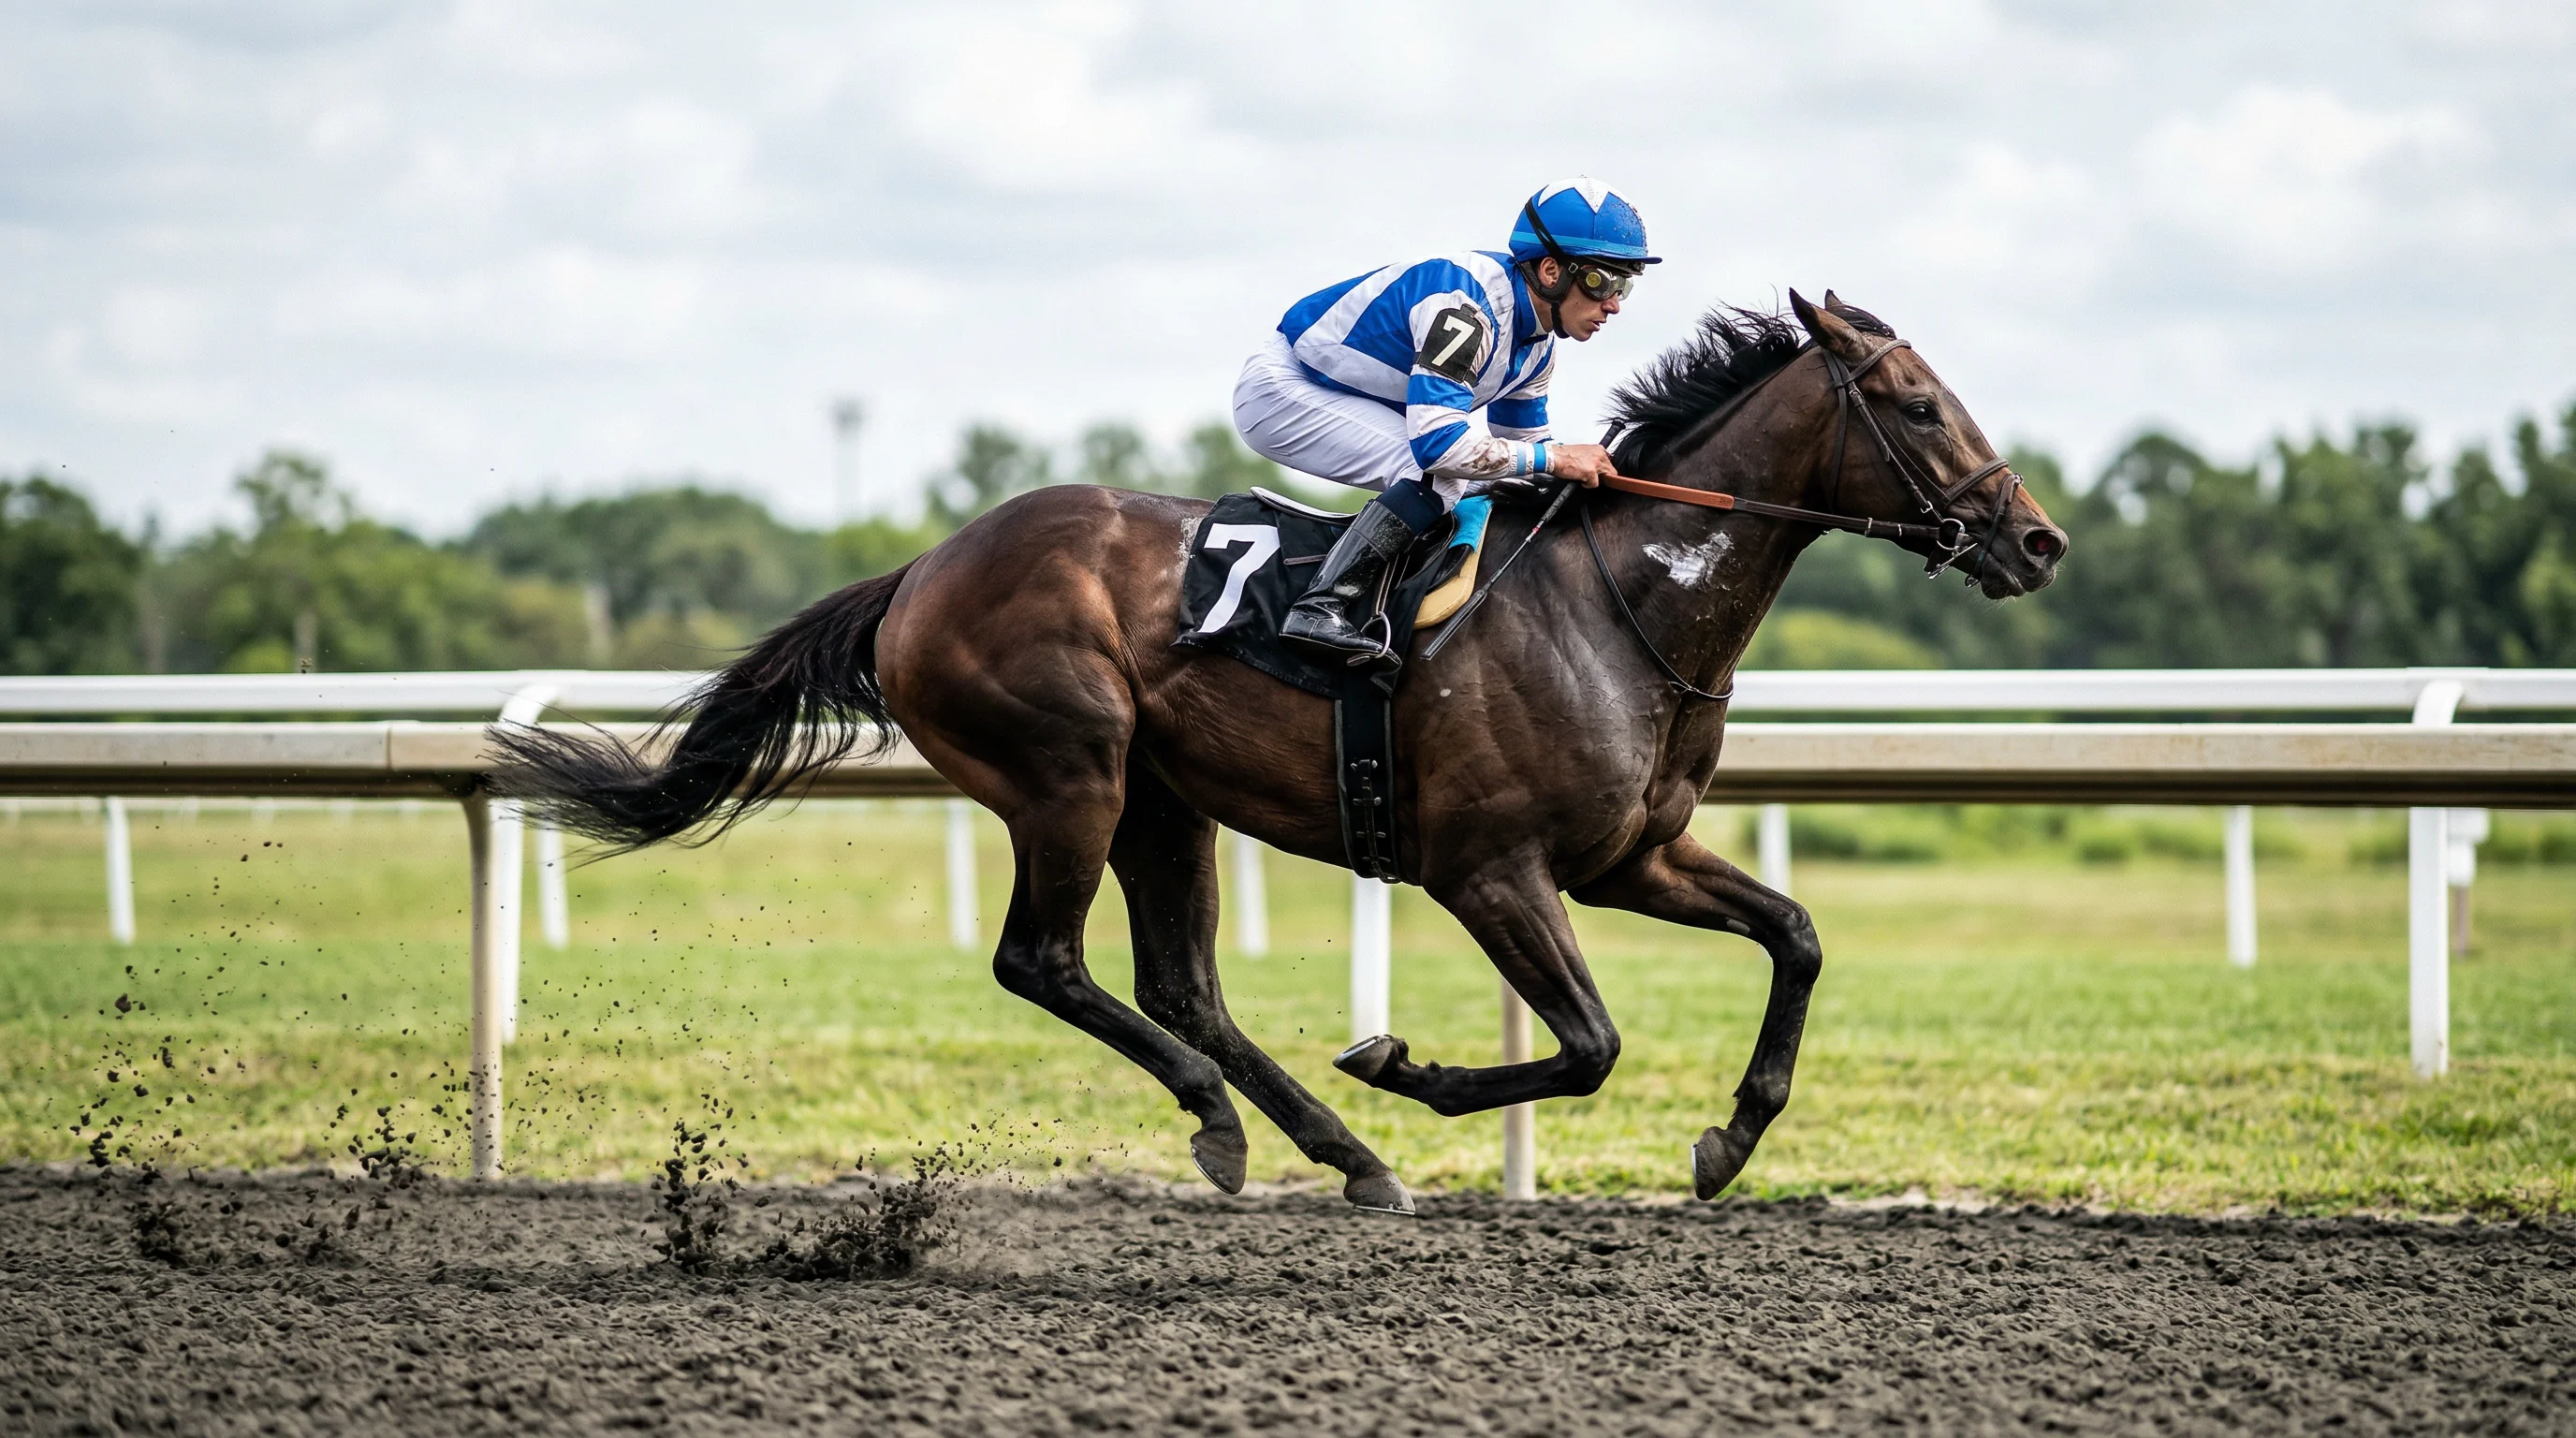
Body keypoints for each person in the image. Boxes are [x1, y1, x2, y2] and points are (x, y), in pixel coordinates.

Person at [1233, 177, 1657, 664]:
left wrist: (1590, 476)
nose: (1615, 304)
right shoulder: (1467, 309)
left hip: (1346, 395)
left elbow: (1527, 451)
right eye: (1603, 281)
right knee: (1436, 473)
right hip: (1284, 389)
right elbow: (1438, 447)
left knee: (1474, 480)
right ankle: (1320, 606)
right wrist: (1557, 458)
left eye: (1625, 285)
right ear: (1549, 270)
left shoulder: (1538, 350)